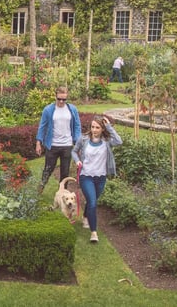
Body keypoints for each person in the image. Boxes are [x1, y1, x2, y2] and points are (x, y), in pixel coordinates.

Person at [71, 115, 122, 243]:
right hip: (86, 176)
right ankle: (94, 233)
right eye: (93, 127)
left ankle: (85, 216)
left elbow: (119, 141)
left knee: (91, 201)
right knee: (93, 202)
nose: (94, 130)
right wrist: (77, 161)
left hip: (101, 177)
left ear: (102, 129)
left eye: (97, 127)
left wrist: (109, 127)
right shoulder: (83, 139)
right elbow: (74, 151)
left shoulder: (107, 140)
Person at [35, 86, 82, 194]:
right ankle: (39, 190)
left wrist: (77, 141)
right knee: (48, 169)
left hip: (67, 146)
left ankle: (62, 194)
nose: (61, 101)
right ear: (55, 97)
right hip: (52, 146)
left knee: (65, 172)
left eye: (64, 99)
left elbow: (77, 126)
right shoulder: (48, 110)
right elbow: (42, 126)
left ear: (67, 98)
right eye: (59, 99)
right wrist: (38, 142)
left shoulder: (72, 109)